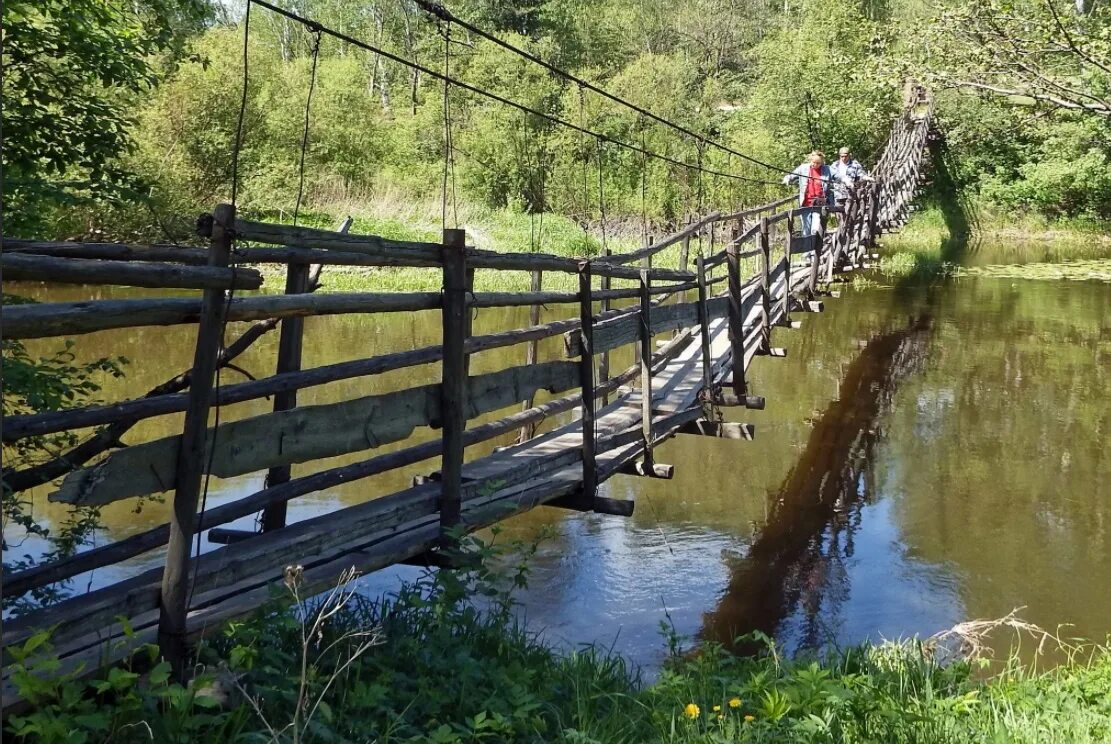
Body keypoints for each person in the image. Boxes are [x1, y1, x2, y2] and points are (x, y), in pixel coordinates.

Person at [783, 150, 833, 237]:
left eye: (818, 163)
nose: (816, 165)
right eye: (814, 162)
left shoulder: (827, 169)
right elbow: (791, 176)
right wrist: (787, 179)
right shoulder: (803, 168)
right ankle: (807, 251)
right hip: (805, 204)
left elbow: (839, 176)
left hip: (819, 204)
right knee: (806, 230)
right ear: (811, 160)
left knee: (815, 229)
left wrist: (846, 181)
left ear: (822, 162)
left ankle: (815, 250)